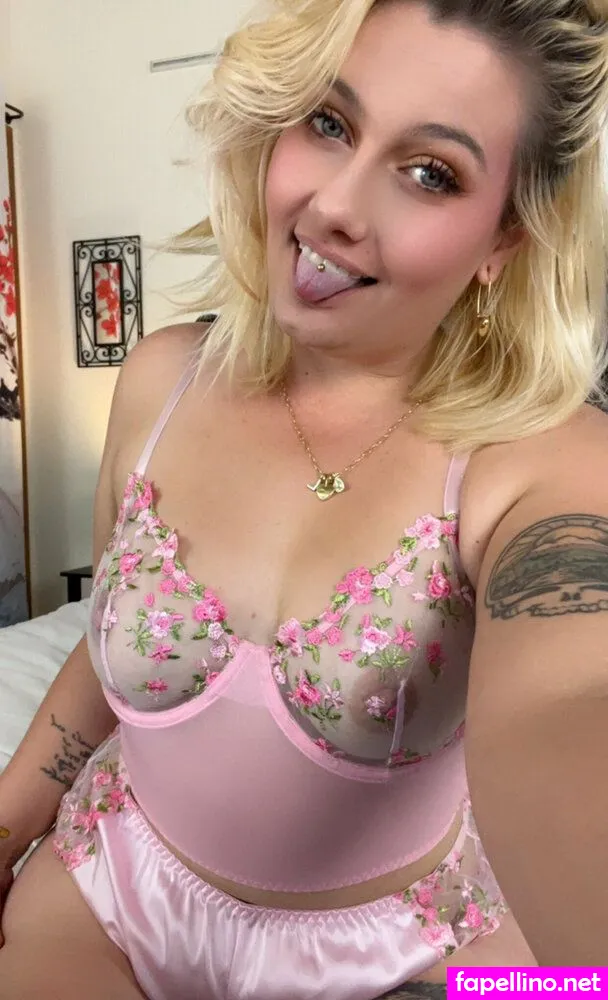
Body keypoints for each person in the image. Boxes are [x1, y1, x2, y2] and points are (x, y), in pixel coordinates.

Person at [1, 0, 607, 995]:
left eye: (430, 172)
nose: (333, 206)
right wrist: (5, 828)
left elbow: (573, 699)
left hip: (406, 954)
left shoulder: (543, 465)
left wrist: (566, 973)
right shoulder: (159, 379)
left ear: (505, 236)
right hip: (107, 896)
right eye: (328, 121)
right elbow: (109, 637)